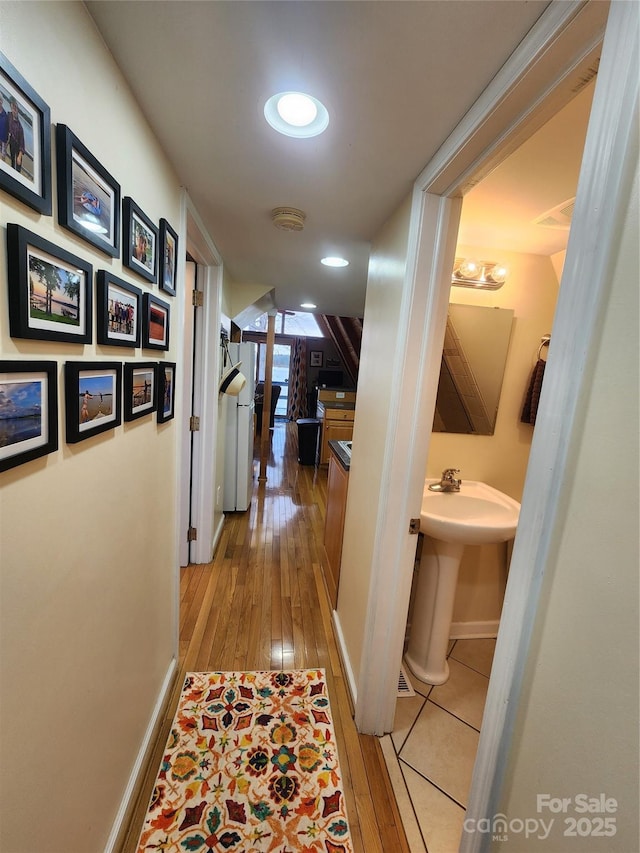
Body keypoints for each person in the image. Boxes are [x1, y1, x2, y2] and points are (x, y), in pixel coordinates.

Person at [7, 97, 25, 173]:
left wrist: (19, 157)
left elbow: (22, 143)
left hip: (18, 147)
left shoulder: (20, 127)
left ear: (17, 110)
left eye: (15, 109)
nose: (14, 111)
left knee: (18, 168)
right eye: (12, 108)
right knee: (12, 163)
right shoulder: (9, 116)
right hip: (11, 142)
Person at [0, 94, 8, 161]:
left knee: (3, 158)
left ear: (2, 101)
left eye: (0, 99)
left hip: (3, 142)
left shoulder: (6, 115)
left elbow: (7, 131)